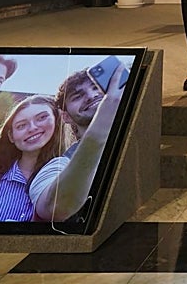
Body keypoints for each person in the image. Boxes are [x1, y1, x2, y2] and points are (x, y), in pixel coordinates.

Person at [31, 63, 127, 222]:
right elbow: (55, 209)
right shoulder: (57, 166)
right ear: (65, 116)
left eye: (96, 87)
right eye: (77, 96)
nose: (91, 95)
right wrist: (102, 125)